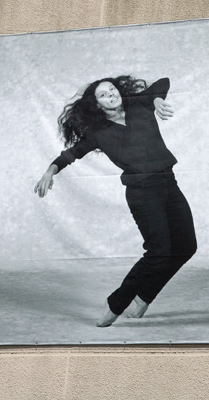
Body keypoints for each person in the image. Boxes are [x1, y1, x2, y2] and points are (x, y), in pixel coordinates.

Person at [34, 76, 196, 327]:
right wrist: (50, 171)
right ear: (96, 105)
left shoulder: (139, 105)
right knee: (159, 252)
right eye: (103, 94)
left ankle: (144, 297)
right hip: (142, 192)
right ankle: (115, 305)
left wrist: (156, 100)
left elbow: (162, 82)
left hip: (169, 184)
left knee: (186, 246)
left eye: (112, 89)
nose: (111, 94)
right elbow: (70, 155)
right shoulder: (98, 133)